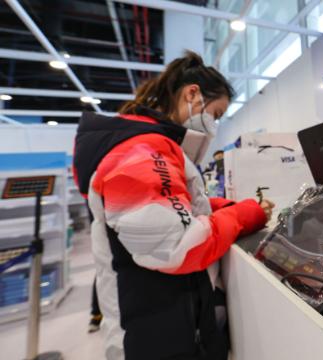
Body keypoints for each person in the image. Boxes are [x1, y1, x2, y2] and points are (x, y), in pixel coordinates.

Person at [73, 51, 274, 360]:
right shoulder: (142, 148)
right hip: (156, 335)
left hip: (168, 323)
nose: (214, 124)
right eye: (216, 114)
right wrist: (244, 214)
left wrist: (219, 207)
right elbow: (177, 246)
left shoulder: (152, 143)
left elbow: (169, 209)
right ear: (192, 93)